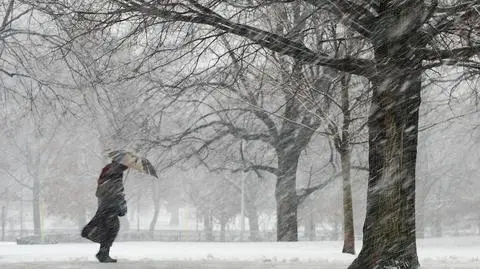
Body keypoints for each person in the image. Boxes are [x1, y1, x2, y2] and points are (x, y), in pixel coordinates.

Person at [81, 161, 128, 263]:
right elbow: (116, 191)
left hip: (105, 204)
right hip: (110, 205)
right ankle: (102, 252)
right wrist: (121, 202)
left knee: (106, 227)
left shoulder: (109, 170)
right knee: (112, 229)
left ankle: (102, 251)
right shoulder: (116, 172)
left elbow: (102, 190)